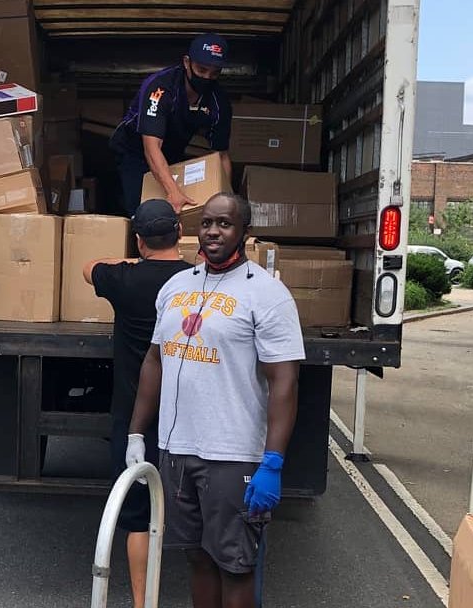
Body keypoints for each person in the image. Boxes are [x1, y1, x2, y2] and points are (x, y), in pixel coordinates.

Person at [126, 192, 304, 607]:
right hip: (177, 450)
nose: (213, 231)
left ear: (245, 232)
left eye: (224, 224)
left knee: (234, 565)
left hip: (232, 454)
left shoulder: (267, 294)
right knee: (196, 558)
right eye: (206, 223)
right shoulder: (175, 286)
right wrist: (137, 433)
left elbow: (285, 381)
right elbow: (155, 360)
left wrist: (273, 462)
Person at [83, 199, 192, 608]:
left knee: (136, 514)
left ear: (139, 238)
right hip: (187, 414)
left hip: (134, 417)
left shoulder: (122, 280)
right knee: (195, 507)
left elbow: (88, 266)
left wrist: (132, 259)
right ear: (180, 233)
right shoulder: (193, 281)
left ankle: (141, 603)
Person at [110, 33, 234, 217]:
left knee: (175, 212)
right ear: (186, 62)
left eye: (214, 73)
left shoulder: (218, 102)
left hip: (172, 153)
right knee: (142, 210)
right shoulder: (160, 88)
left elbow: (221, 156)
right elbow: (151, 148)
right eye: (201, 70)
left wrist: (227, 198)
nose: (207, 77)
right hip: (135, 150)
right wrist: (173, 192)